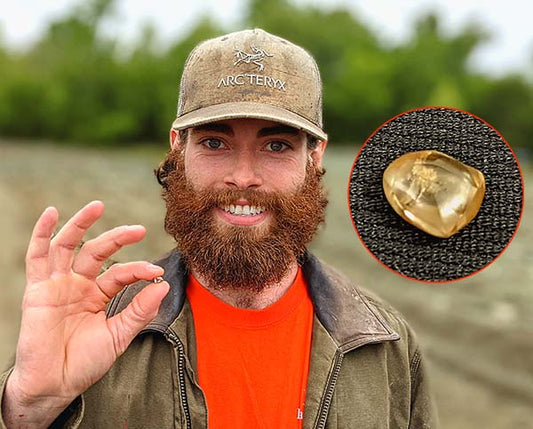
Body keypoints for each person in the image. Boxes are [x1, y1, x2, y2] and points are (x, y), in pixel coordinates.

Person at [0, 29, 438, 428]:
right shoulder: (101, 330)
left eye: (276, 145)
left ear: (315, 157)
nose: (243, 176)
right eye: (214, 142)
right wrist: (30, 406)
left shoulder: (387, 348)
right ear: (178, 149)